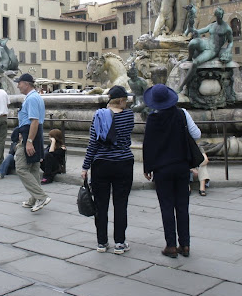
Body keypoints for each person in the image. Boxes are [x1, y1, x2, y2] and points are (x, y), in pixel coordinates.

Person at [142, 83, 200, 259]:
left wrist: (148, 168)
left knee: (166, 206)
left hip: (162, 169)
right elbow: (196, 134)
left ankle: (171, 246)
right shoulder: (182, 114)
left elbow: (148, 145)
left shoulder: (152, 119)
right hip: (182, 166)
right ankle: (186, 245)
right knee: (182, 206)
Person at [81, 85, 135, 254]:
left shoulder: (98, 116)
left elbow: (93, 143)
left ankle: (102, 242)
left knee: (101, 205)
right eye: (125, 100)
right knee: (120, 204)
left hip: (101, 164)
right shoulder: (129, 115)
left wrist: (85, 166)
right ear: (121, 100)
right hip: (123, 163)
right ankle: (120, 242)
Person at [14, 73, 50, 212]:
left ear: (26, 84)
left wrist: (28, 141)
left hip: (30, 135)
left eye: (19, 83)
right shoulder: (34, 97)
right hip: (33, 134)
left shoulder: (32, 99)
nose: (18, 85)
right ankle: (34, 198)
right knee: (33, 167)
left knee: (21, 168)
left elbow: (34, 121)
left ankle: (41, 196)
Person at [178, 7, 233, 92]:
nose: (219, 17)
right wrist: (191, 18)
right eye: (218, 16)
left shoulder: (227, 28)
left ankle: (182, 86)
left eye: (221, 16)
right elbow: (197, 31)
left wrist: (228, 50)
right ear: (215, 15)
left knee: (196, 62)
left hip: (213, 50)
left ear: (222, 15)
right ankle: (189, 58)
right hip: (206, 43)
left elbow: (231, 42)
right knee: (192, 43)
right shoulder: (212, 25)